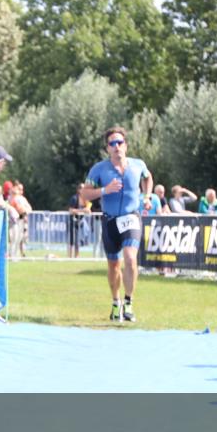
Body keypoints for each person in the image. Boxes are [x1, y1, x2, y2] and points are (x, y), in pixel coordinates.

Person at [80, 125, 153, 323]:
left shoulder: (138, 164)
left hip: (131, 217)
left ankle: (129, 303)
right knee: (114, 266)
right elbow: (84, 195)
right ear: (107, 149)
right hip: (110, 220)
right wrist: (104, 190)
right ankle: (116, 302)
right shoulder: (99, 169)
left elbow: (148, 178)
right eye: (112, 144)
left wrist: (147, 196)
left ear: (126, 146)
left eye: (120, 142)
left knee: (130, 258)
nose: (117, 146)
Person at [67, 186, 97, 258]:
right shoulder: (74, 198)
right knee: (72, 240)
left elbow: (89, 211)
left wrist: (88, 210)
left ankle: (77, 256)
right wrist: (82, 211)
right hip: (73, 221)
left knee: (78, 240)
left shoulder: (86, 200)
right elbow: (71, 211)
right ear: (78, 190)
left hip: (81, 222)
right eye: (82, 188)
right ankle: (70, 257)